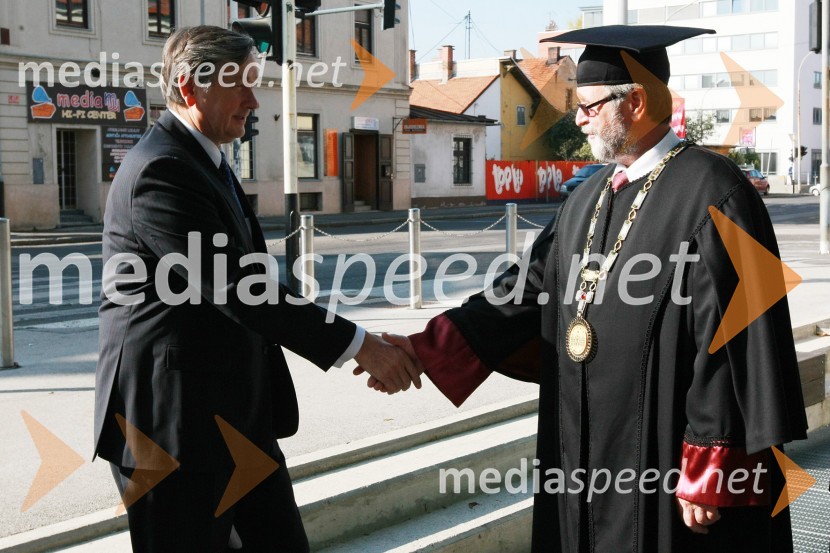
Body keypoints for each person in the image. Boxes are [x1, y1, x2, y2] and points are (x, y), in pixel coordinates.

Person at [369, 25, 808, 552]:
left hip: (666, 452)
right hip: (583, 441)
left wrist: (711, 463)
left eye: (589, 106)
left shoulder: (715, 193)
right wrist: (424, 347)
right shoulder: (588, 197)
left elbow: (734, 341)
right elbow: (522, 292)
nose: (577, 119)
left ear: (638, 101)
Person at [93, 25, 419, 553]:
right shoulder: (161, 170)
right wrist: (361, 347)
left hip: (227, 415)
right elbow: (240, 289)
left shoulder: (204, 159)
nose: (253, 99)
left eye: (255, 81)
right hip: (169, 424)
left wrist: (361, 343)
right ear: (189, 85)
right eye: (239, 84)